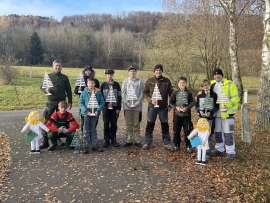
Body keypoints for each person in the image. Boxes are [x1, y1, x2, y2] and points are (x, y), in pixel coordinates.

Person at [40, 59, 72, 149]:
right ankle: (45, 140)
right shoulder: (48, 76)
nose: (58, 67)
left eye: (59, 65)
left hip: (62, 102)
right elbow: (41, 87)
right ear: (53, 66)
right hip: (51, 101)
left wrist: (70, 101)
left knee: (61, 121)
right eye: (56, 65)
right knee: (46, 120)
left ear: (62, 67)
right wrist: (45, 90)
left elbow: (68, 90)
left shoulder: (65, 77)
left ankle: (57, 139)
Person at [142, 64, 174, 150]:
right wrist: (150, 99)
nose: (158, 71)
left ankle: (167, 142)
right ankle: (147, 141)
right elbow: (145, 92)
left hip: (163, 107)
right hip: (152, 107)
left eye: (160, 70)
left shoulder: (167, 81)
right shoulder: (150, 81)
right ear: (154, 71)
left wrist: (170, 105)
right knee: (150, 124)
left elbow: (172, 94)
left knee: (164, 125)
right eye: (157, 70)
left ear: (162, 71)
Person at [211, 68, 240, 160]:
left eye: (218, 74)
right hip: (216, 113)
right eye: (215, 75)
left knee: (228, 134)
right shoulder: (212, 85)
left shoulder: (230, 84)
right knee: (218, 132)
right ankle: (219, 149)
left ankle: (230, 152)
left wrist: (227, 106)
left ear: (222, 75)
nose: (217, 76)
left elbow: (236, 98)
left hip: (227, 113)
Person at [78, 78, 105, 154]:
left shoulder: (98, 92)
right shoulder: (84, 92)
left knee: (93, 129)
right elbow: (80, 103)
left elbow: (102, 103)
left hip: (95, 114)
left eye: (92, 83)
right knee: (86, 130)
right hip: (86, 115)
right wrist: (86, 111)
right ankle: (85, 146)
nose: (91, 85)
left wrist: (98, 110)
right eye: (89, 83)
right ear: (87, 84)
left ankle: (95, 145)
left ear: (94, 84)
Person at [169, 77, 196, 152]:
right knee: (176, 131)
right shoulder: (175, 93)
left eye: (183, 83)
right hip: (177, 115)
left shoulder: (189, 92)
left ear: (186, 83)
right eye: (180, 83)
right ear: (178, 84)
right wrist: (176, 107)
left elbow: (193, 102)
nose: (182, 84)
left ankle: (188, 145)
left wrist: (187, 108)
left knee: (187, 131)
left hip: (186, 116)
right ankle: (176, 145)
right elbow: (171, 102)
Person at [195, 79, 219, 158]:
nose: (206, 86)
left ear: (209, 85)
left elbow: (216, 106)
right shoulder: (200, 95)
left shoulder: (214, 95)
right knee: (199, 133)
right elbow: (197, 106)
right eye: (204, 85)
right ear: (202, 87)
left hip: (210, 118)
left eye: (207, 85)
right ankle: (198, 150)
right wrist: (199, 111)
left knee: (208, 134)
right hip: (201, 118)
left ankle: (208, 152)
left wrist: (211, 112)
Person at [122, 66, 144, 147]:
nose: (132, 73)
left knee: (136, 123)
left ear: (136, 72)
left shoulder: (139, 82)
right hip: (127, 107)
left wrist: (137, 103)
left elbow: (142, 93)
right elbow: (123, 93)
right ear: (128, 72)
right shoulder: (125, 81)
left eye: (134, 71)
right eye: (131, 71)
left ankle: (137, 140)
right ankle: (129, 140)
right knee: (129, 124)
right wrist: (127, 103)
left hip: (137, 107)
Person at [74, 65, 100, 135]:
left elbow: (98, 91)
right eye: (86, 70)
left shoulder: (96, 81)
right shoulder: (80, 80)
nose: (88, 72)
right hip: (84, 104)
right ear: (84, 71)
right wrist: (79, 90)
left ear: (91, 72)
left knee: (94, 119)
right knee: (84, 119)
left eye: (89, 70)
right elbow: (75, 91)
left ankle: (92, 133)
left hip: (93, 103)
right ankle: (84, 134)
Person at [100, 69, 122, 147]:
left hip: (115, 107)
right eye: (108, 74)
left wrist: (118, 108)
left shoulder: (117, 85)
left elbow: (119, 97)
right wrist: (106, 104)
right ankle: (106, 140)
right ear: (106, 75)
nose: (109, 76)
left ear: (113, 75)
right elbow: (101, 97)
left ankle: (113, 139)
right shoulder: (103, 85)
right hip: (106, 108)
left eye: (111, 74)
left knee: (114, 123)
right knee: (106, 123)